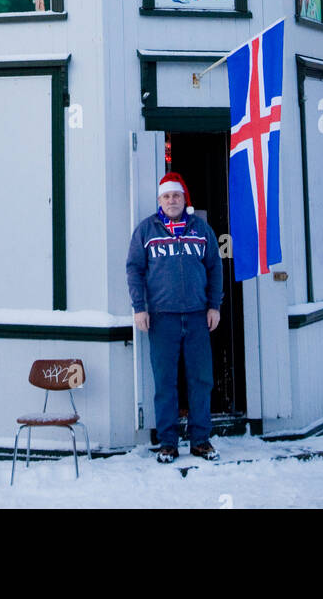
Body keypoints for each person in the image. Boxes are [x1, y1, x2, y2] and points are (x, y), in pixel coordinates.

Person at [126, 172, 223, 463]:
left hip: (197, 317)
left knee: (200, 379)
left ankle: (200, 440)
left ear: (184, 199)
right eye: (166, 196)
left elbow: (214, 268)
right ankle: (168, 442)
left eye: (176, 196)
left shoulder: (201, 229)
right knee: (165, 381)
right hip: (161, 319)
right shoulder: (147, 230)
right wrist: (139, 307)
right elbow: (134, 269)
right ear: (160, 200)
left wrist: (214, 306)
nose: (172, 201)